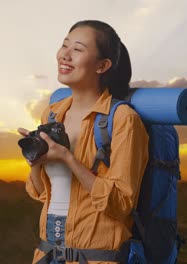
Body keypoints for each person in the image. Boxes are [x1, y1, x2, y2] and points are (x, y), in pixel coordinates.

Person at [17, 20, 149, 264]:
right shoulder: (53, 114)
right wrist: (35, 160)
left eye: (77, 49)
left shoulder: (122, 119)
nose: (64, 55)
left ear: (102, 65)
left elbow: (121, 204)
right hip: (48, 255)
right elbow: (40, 193)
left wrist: (68, 159)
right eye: (64, 45)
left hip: (98, 258)